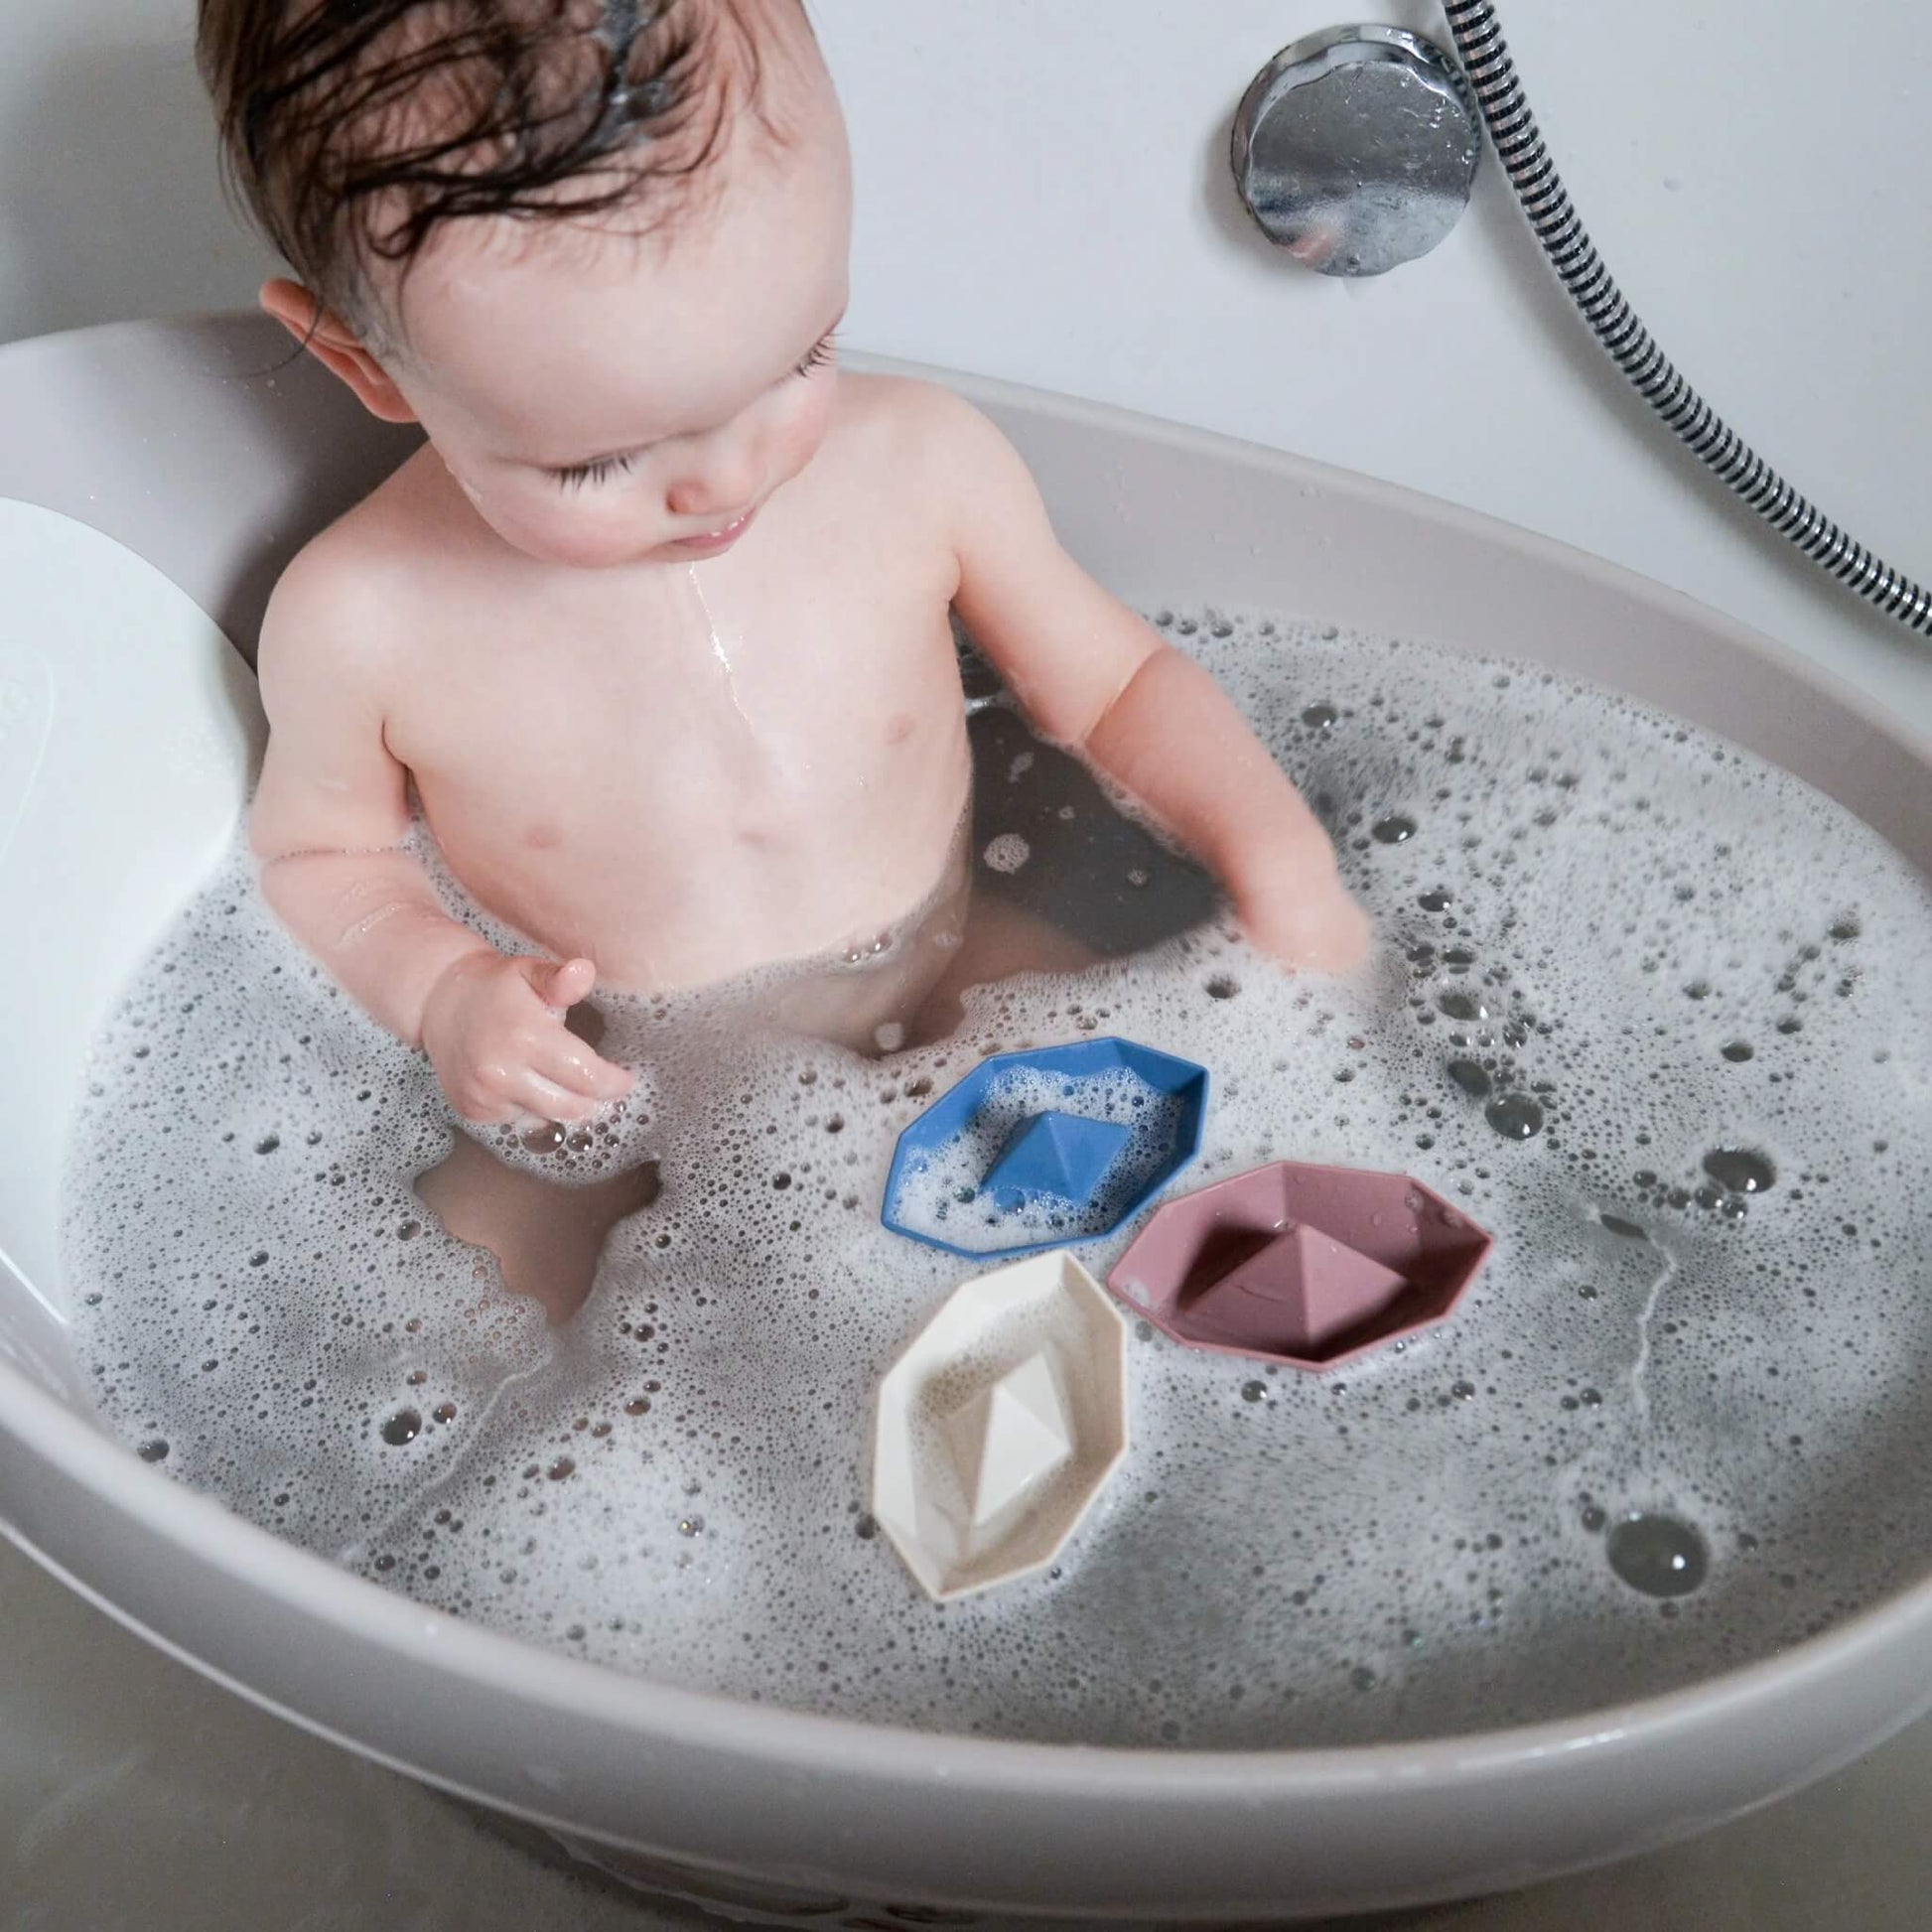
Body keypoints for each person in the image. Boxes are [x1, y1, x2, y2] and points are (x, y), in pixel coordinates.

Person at [199, 0, 1370, 1311]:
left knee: (1186, 1119)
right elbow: (321, 857)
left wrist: (1278, 854)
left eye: (797, 357)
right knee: (469, 1276)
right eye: (597, 459)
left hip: (952, 964)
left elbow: (1117, 688)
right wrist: (449, 991)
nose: (722, 480)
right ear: (365, 362)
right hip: (613, 1089)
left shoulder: (919, 459)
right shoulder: (364, 615)